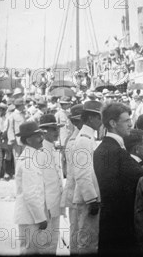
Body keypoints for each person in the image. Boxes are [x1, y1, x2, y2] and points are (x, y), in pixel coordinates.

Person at [94, 103, 143, 254]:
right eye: (126, 121)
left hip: (120, 222)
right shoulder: (109, 150)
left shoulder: (114, 148)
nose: (130, 124)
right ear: (113, 123)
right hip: (118, 225)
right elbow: (112, 190)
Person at [72, 100, 103, 254]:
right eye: (99, 117)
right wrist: (92, 199)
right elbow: (82, 173)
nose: (101, 121)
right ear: (90, 118)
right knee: (87, 243)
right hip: (87, 200)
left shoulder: (89, 137)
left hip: (89, 198)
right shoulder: (84, 139)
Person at [13, 121, 49, 254]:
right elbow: (31, 194)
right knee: (30, 251)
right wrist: (40, 218)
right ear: (28, 139)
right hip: (31, 217)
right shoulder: (29, 160)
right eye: (38, 136)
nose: (41, 139)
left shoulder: (32, 156)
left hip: (30, 215)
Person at [37, 114, 64, 254]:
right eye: (53, 129)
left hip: (55, 203)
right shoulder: (39, 152)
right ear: (43, 131)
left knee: (53, 242)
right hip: (44, 206)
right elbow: (38, 184)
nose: (57, 132)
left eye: (57, 128)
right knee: (44, 243)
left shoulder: (53, 149)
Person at [60, 104, 83, 251]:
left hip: (76, 191)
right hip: (77, 192)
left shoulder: (76, 137)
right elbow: (78, 173)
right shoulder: (76, 140)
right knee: (78, 232)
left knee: (78, 231)